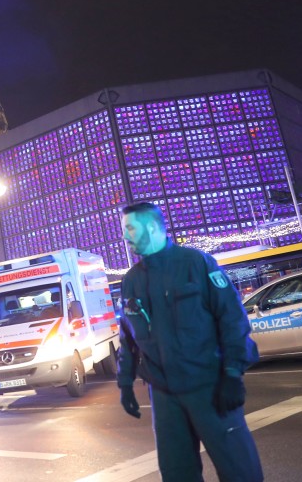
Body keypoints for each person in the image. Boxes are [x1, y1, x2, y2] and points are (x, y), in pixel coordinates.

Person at [116, 202, 263, 482]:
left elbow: (232, 319)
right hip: (164, 396)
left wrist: (233, 373)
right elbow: (128, 337)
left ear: (151, 227)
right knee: (177, 474)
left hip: (209, 387)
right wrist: (124, 383)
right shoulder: (131, 280)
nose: (125, 236)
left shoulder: (197, 263)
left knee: (240, 471)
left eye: (129, 228)